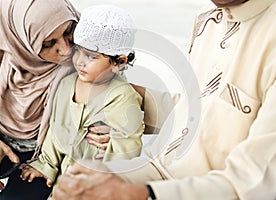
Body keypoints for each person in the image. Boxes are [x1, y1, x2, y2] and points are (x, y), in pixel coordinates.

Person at [52, 0, 276, 199]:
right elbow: (201, 109)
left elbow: (254, 184)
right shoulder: (208, 16)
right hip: (151, 172)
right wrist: (125, 106)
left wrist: (139, 193)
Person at [0, 0, 109, 199]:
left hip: (46, 155)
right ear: (20, 42)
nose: (66, 50)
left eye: (69, 30)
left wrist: (111, 129)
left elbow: (116, 98)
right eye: (48, 44)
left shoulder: (93, 48)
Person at [20, 5, 144, 190]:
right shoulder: (66, 84)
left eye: (91, 56)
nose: (79, 60)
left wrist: (103, 177)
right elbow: (55, 130)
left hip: (97, 184)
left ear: (119, 63)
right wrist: (46, 164)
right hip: (64, 181)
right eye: (78, 50)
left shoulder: (122, 97)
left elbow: (127, 149)